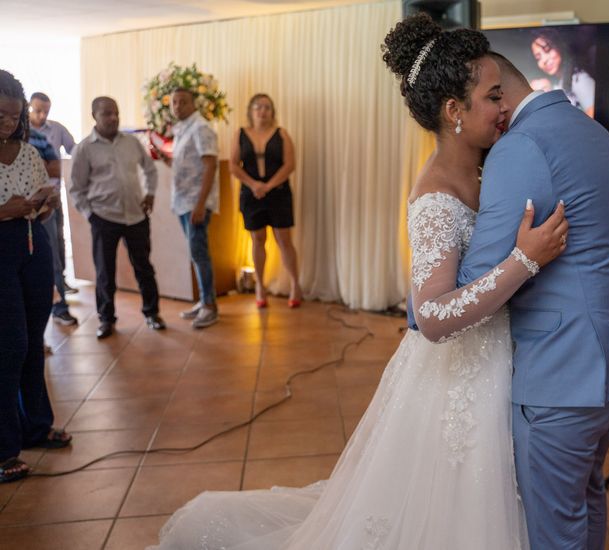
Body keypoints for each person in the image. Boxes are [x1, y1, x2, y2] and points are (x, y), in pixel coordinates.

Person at [149, 14, 568, 549]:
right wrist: (524, 262)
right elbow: (433, 316)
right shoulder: (435, 195)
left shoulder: (490, 170)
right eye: (493, 96)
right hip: (453, 375)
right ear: (454, 111)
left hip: (487, 365)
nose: (506, 105)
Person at [457, 51, 609, 550]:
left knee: (553, 528)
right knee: (586, 496)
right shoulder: (590, 129)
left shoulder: (521, 145)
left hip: (564, 373)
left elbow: (476, 275)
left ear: (498, 93)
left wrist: (424, 295)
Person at [0, 70, 71, 484]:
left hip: (32, 246)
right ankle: (5, 447)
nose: (8, 125)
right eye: (1, 117)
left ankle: (36, 427)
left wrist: (44, 203)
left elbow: (42, 189)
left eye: (14, 117)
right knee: (9, 347)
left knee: (32, 341)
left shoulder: (26, 151)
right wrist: (5, 211)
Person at [69, 97, 164, 339]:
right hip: (104, 218)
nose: (113, 118)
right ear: (94, 116)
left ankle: (152, 313)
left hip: (136, 216)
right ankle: (106, 320)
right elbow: (76, 189)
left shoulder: (131, 142)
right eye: (107, 114)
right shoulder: (84, 148)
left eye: (116, 113)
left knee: (144, 267)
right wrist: (91, 216)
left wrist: (150, 194)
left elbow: (150, 169)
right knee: (104, 272)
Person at [229, 94, 302, 308]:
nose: (262, 111)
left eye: (267, 107)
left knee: (284, 240)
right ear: (251, 111)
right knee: (257, 239)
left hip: (278, 193)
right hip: (251, 195)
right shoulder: (240, 134)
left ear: (273, 112)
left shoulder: (281, 134)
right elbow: (233, 165)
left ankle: (295, 284)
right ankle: (260, 285)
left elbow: (290, 164)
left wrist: (267, 186)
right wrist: (254, 185)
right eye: (258, 107)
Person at [156, 87, 219, 329]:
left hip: (195, 202)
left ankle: (210, 306)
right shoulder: (184, 129)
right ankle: (204, 300)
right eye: (174, 102)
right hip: (184, 201)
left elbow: (210, 166)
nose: (177, 107)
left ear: (194, 104)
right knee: (196, 253)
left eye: (183, 102)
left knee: (200, 253)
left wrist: (201, 204)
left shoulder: (201, 127)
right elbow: (188, 164)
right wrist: (168, 160)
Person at [29, 92, 78, 301]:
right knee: (43, 250)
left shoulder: (55, 130)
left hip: (53, 197)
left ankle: (61, 287)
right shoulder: (22, 133)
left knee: (58, 242)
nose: (41, 115)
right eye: (37, 110)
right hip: (30, 202)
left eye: (45, 111)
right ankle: (55, 300)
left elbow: (72, 152)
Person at [528, 29, 596, 118]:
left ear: (559, 46)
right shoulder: (557, 84)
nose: (544, 60)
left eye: (547, 50)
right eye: (538, 58)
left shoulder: (578, 79)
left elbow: (595, 120)